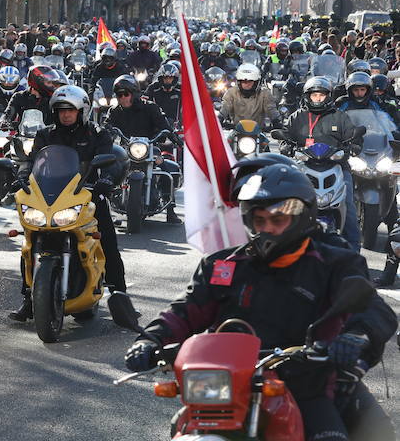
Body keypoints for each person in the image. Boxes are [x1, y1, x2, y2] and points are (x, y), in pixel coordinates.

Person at [123, 163, 398, 441]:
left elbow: (372, 309)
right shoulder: (224, 265)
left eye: (278, 220)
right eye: (259, 220)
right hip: (230, 384)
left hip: (306, 383)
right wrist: (151, 339)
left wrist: (356, 336)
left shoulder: (334, 263)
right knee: (184, 427)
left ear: (302, 217)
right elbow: (187, 309)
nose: (267, 228)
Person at [9, 85, 126, 322]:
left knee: (108, 239)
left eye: (71, 110)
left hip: (87, 195)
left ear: (81, 110)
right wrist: (22, 176)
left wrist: (106, 179)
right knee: (30, 241)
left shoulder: (97, 134)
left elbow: (109, 161)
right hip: (51, 196)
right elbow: (32, 161)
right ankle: (29, 297)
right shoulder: (46, 135)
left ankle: (119, 294)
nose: (65, 114)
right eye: (61, 110)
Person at [280, 76, 362, 250]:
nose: (317, 98)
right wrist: (285, 145)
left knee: (349, 207)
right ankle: (283, 247)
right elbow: (285, 136)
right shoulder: (297, 117)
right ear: (307, 96)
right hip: (303, 167)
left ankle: (354, 254)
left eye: (321, 95)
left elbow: (353, 136)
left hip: (337, 168)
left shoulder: (339, 116)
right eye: (314, 95)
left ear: (329, 96)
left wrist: (355, 146)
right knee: (286, 202)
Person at [106, 74, 181, 223]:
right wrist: (105, 132)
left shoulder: (150, 108)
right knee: (107, 169)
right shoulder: (115, 111)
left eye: (125, 94)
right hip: (125, 149)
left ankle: (170, 208)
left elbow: (163, 125)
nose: (122, 98)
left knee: (164, 167)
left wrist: (173, 137)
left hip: (150, 147)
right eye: (119, 95)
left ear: (134, 94)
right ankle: (107, 207)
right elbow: (106, 126)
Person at [143, 62, 181, 127]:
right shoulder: (153, 87)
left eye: (170, 78)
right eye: (165, 78)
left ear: (174, 79)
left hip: (177, 125)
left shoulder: (180, 89)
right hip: (156, 124)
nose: (168, 80)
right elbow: (143, 101)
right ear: (161, 78)